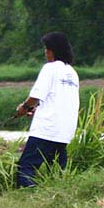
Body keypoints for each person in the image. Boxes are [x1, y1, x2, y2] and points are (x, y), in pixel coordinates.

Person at [15, 32, 80, 188]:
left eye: (47, 48)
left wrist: (23, 108)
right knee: (57, 172)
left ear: (53, 50)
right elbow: (60, 101)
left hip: (46, 130)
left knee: (25, 169)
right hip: (64, 132)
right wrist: (38, 110)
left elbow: (34, 97)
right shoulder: (72, 72)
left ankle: (27, 197)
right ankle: (55, 198)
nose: (45, 52)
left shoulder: (50, 68)